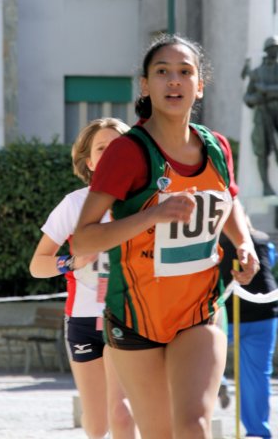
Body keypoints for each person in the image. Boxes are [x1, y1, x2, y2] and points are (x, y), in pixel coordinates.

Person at [73, 34, 260, 439]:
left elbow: (228, 200)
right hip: (135, 318)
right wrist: (153, 215)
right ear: (145, 85)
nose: (174, 81)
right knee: (159, 433)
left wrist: (243, 242)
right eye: (162, 72)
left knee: (193, 426)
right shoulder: (127, 152)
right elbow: (83, 241)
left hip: (198, 311)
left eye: (184, 72)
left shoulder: (216, 147)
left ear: (199, 85)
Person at [29, 118, 137, 439]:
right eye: (102, 148)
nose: (111, 153)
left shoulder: (145, 203)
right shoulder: (74, 204)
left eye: (118, 146)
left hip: (129, 316)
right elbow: (38, 264)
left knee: (121, 412)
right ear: (89, 162)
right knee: (97, 422)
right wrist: (73, 262)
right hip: (83, 319)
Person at [219, 218, 278, 438]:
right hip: (264, 311)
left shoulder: (215, 241)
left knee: (202, 360)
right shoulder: (262, 240)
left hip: (227, 312)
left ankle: (219, 382)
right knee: (257, 374)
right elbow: (270, 262)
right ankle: (257, 432)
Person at [243, 35, 278, 195]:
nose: (274, 52)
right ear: (267, 51)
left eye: (276, 49)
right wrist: (255, 98)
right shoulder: (257, 73)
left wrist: (266, 89)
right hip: (263, 112)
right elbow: (247, 96)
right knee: (262, 149)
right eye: (272, 49)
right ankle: (265, 186)